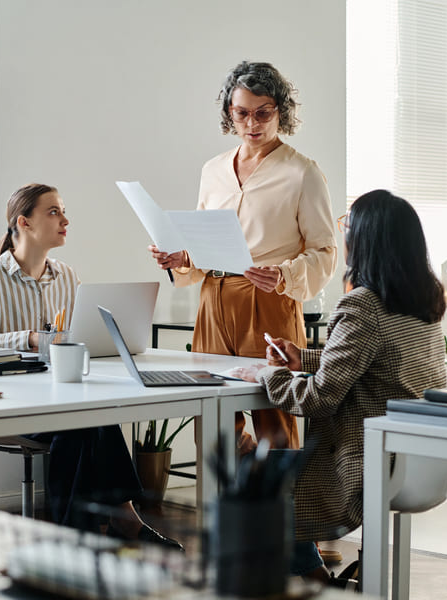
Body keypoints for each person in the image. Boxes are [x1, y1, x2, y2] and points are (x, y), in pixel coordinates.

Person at [227, 190, 447, 582]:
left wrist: (268, 375)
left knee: (254, 476)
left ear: (364, 240)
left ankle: (314, 580)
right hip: (423, 464)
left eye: (346, 226)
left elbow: (318, 400)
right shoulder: (423, 302)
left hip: (367, 467)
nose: (342, 235)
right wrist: (302, 358)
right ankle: (314, 577)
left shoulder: (362, 305)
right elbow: (378, 363)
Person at [0, 183, 181, 549]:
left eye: (63, 211)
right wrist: (31, 339)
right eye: (54, 212)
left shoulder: (67, 276)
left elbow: (79, 332)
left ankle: (86, 535)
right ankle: (98, 530)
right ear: (25, 222)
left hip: (59, 391)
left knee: (90, 416)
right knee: (78, 428)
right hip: (10, 401)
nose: (65, 220)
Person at [149, 61, 337, 456]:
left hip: (268, 300)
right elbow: (202, 241)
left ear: (280, 112)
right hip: (212, 301)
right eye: (242, 113)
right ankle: (233, 512)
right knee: (212, 422)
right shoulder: (213, 170)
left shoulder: (302, 173)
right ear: (229, 114)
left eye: (263, 112)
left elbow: (324, 250)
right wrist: (180, 257)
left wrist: (285, 275)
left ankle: (282, 512)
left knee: (275, 421)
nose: (252, 123)